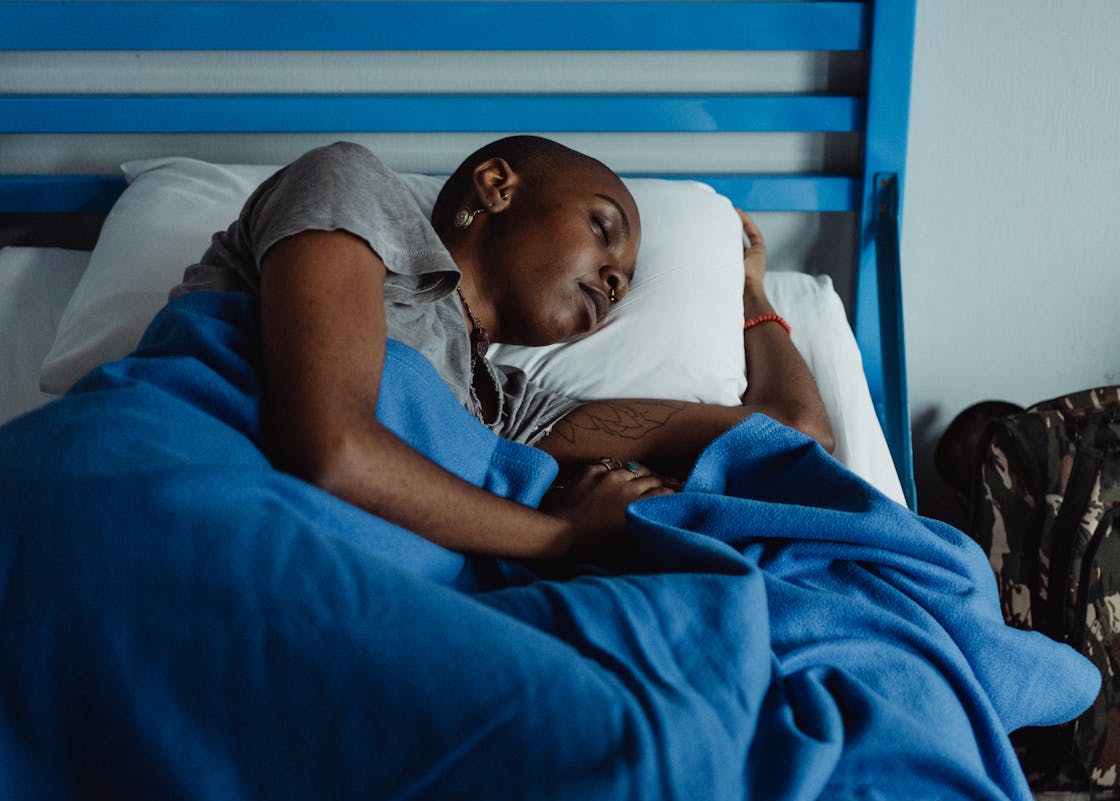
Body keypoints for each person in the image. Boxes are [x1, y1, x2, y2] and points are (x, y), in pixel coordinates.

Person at [176, 137, 833, 563]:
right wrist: (569, 537)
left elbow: (797, 433)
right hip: (195, 506)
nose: (614, 279)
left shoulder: (507, 411)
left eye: (624, 283)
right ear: (497, 184)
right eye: (603, 229)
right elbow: (334, 452)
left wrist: (749, 292)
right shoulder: (351, 186)